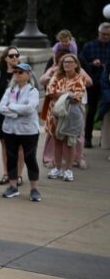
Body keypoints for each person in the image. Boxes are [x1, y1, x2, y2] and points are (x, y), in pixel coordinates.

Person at [0, 63, 42, 201]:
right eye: (15, 72)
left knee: (30, 158)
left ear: (28, 74)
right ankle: (13, 186)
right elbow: (0, 108)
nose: (17, 74)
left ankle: (34, 189)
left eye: (20, 72)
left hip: (28, 131)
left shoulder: (33, 91)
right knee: (11, 158)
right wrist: (17, 112)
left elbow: (29, 108)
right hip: (10, 130)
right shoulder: (9, 90)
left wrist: (11, 107)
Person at [46, 53, 86, 182]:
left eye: (70, 62)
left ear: (76, 64)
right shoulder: (56, 77)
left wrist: (61, 94)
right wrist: (67, 93)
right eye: (65, 62)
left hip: (72, 115)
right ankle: (57, 168)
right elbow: (50, 92)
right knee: (57, 141)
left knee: (70, 142)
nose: (67, 64)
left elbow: (77, 98)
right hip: (55, 114)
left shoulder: (80, 78)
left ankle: (68, 170)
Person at [0, 47, 25, 185]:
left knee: (19, 146)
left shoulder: (24, 72)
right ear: (5, 58)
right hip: (2, 114)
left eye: (17, 55)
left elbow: (32, 89)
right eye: (11, 56)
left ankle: (18, 175)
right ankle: (6, 173)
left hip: (19, 115)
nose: (14, 58)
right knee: (5, 145)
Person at [80, 22, 110, 148]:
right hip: (93, 82)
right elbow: (81, 64)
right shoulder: (89, 46)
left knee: (107, 111)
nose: (106, 37)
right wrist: (93, 64)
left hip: (107, 83)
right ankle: (87, 138)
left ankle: (105, 139)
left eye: (108, 35)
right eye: (103, 34)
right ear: (99, 33)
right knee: (91, 110)